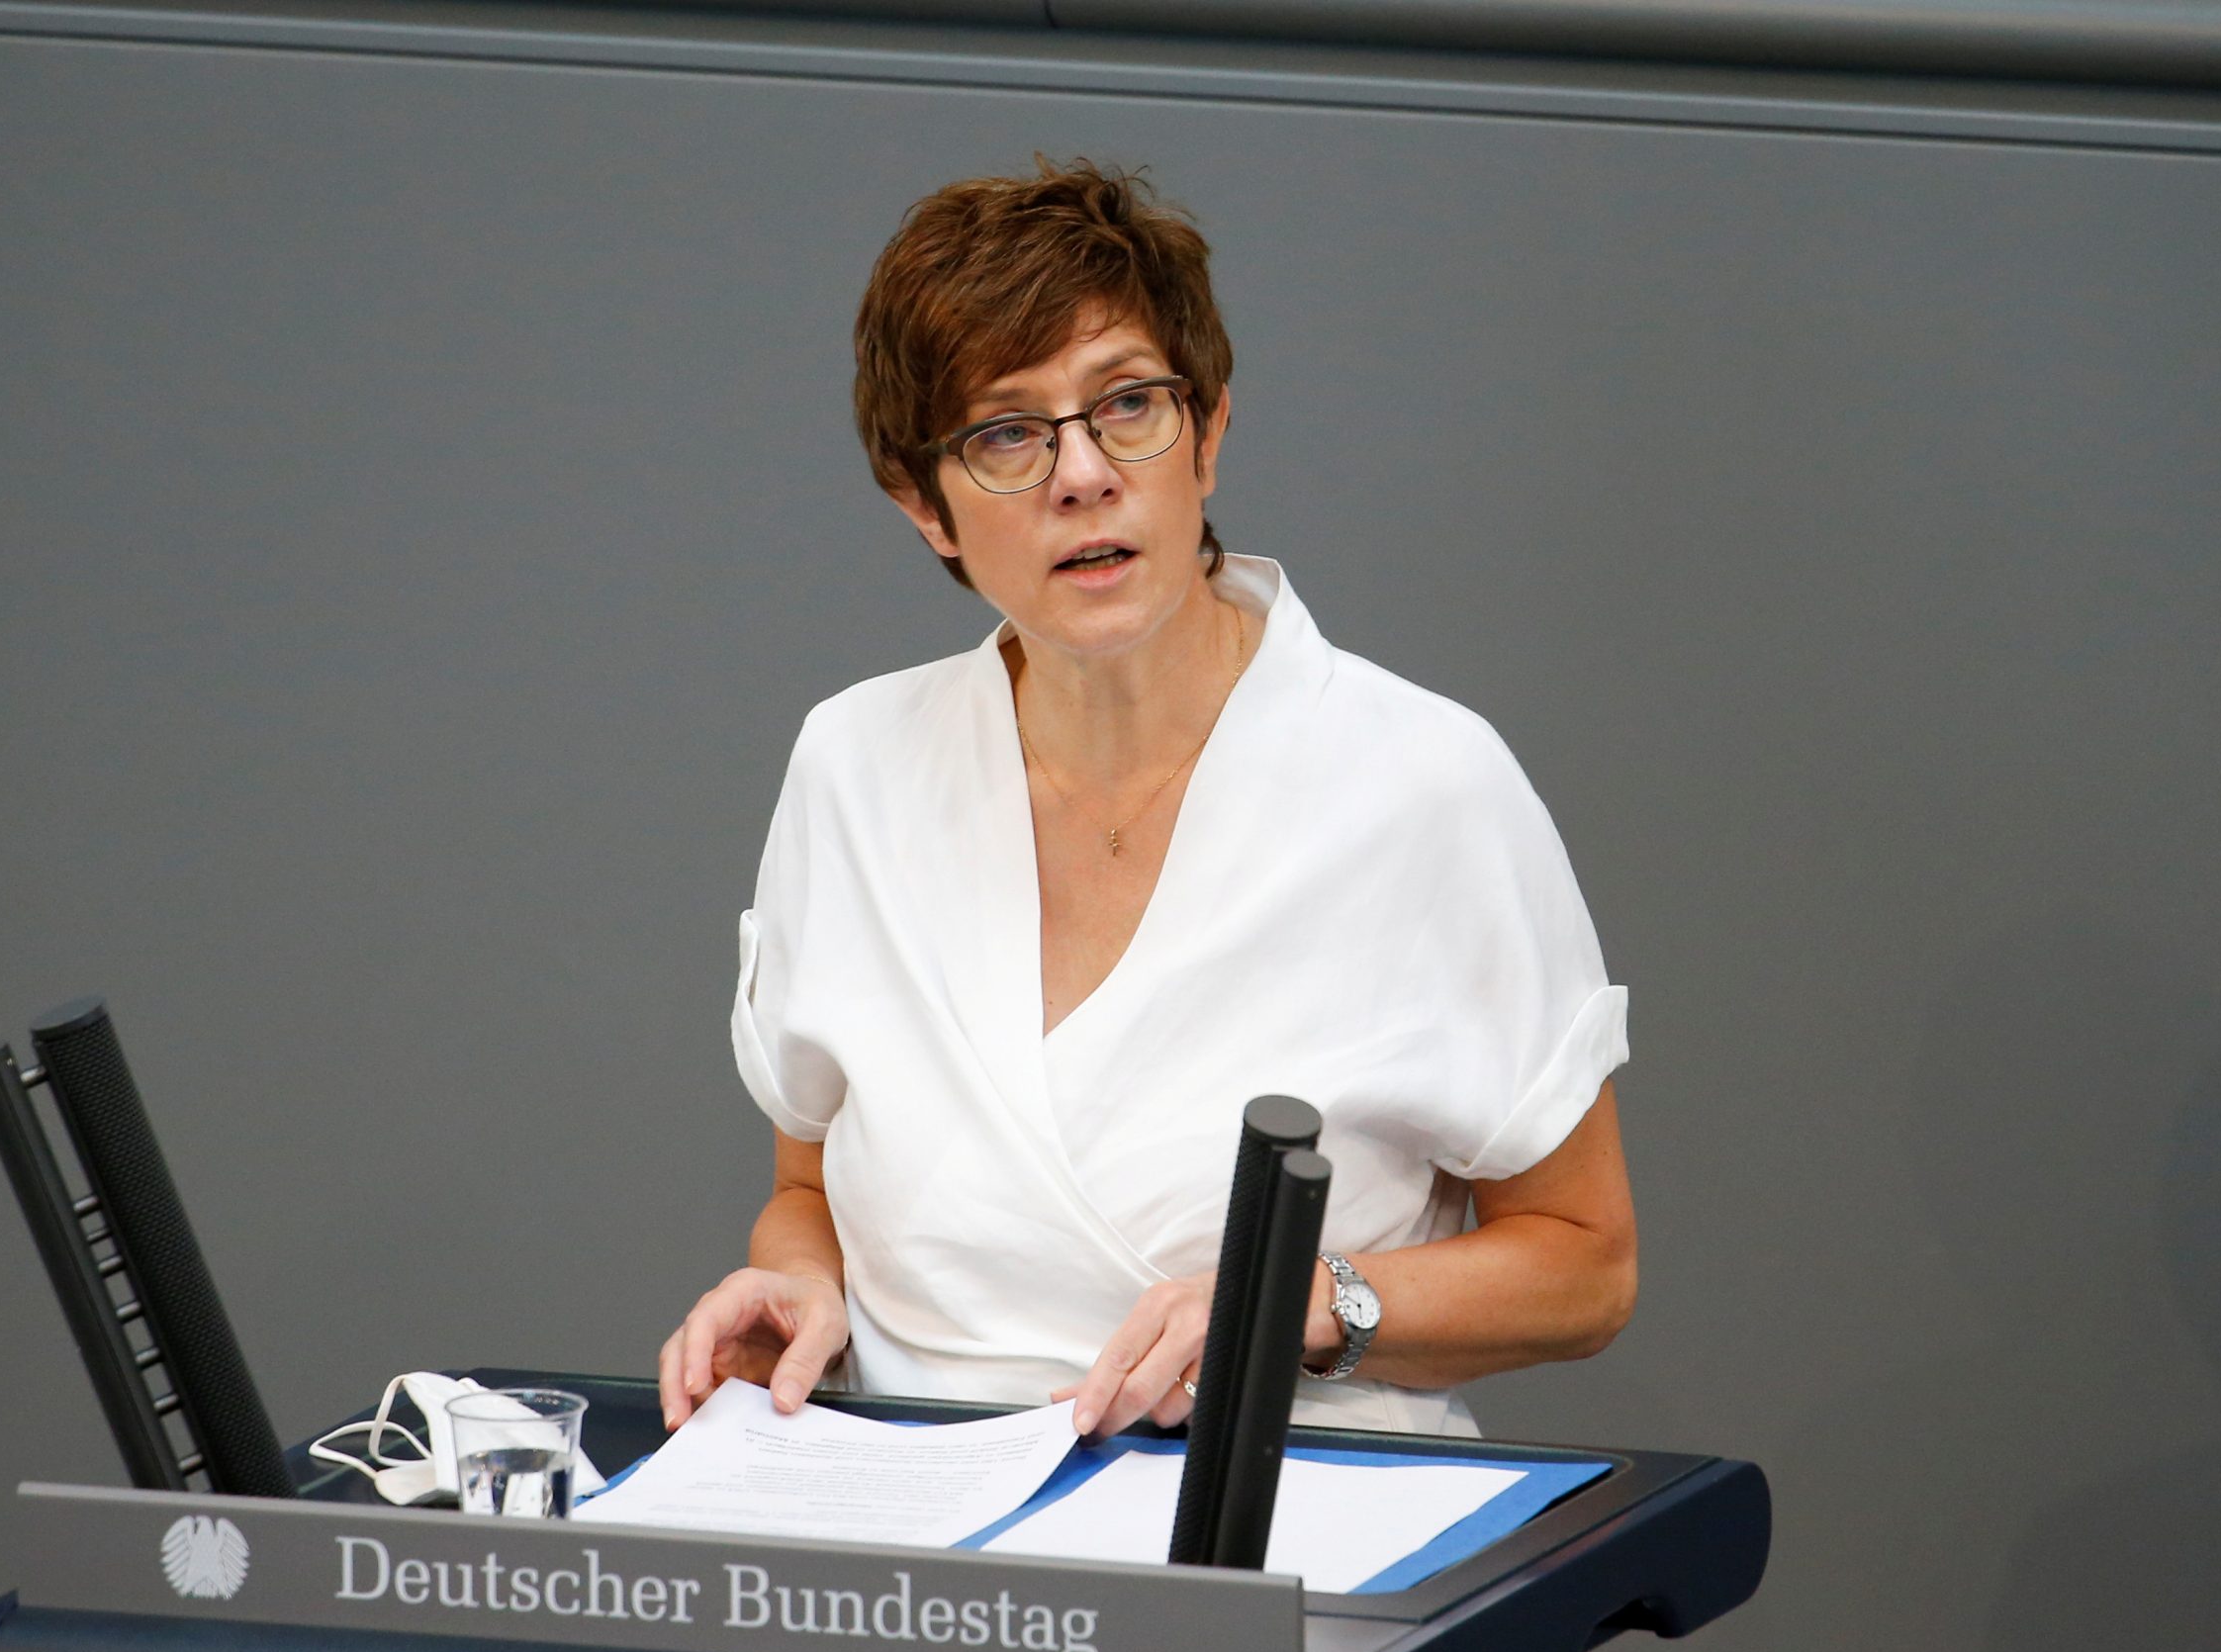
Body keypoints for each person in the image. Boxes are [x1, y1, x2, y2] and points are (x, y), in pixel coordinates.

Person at [658, 160, 1634, 1443]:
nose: (1082, 474)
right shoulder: (853, 764)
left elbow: (1585, 1264)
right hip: (927, 1550)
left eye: (1127, 405)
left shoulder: (1423, 784)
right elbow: (808, 1185)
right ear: (922, 505)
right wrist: (801, 1285)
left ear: (1211, 432)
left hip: (1288, 1529)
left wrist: (1307, 1303)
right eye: (1007, 432)